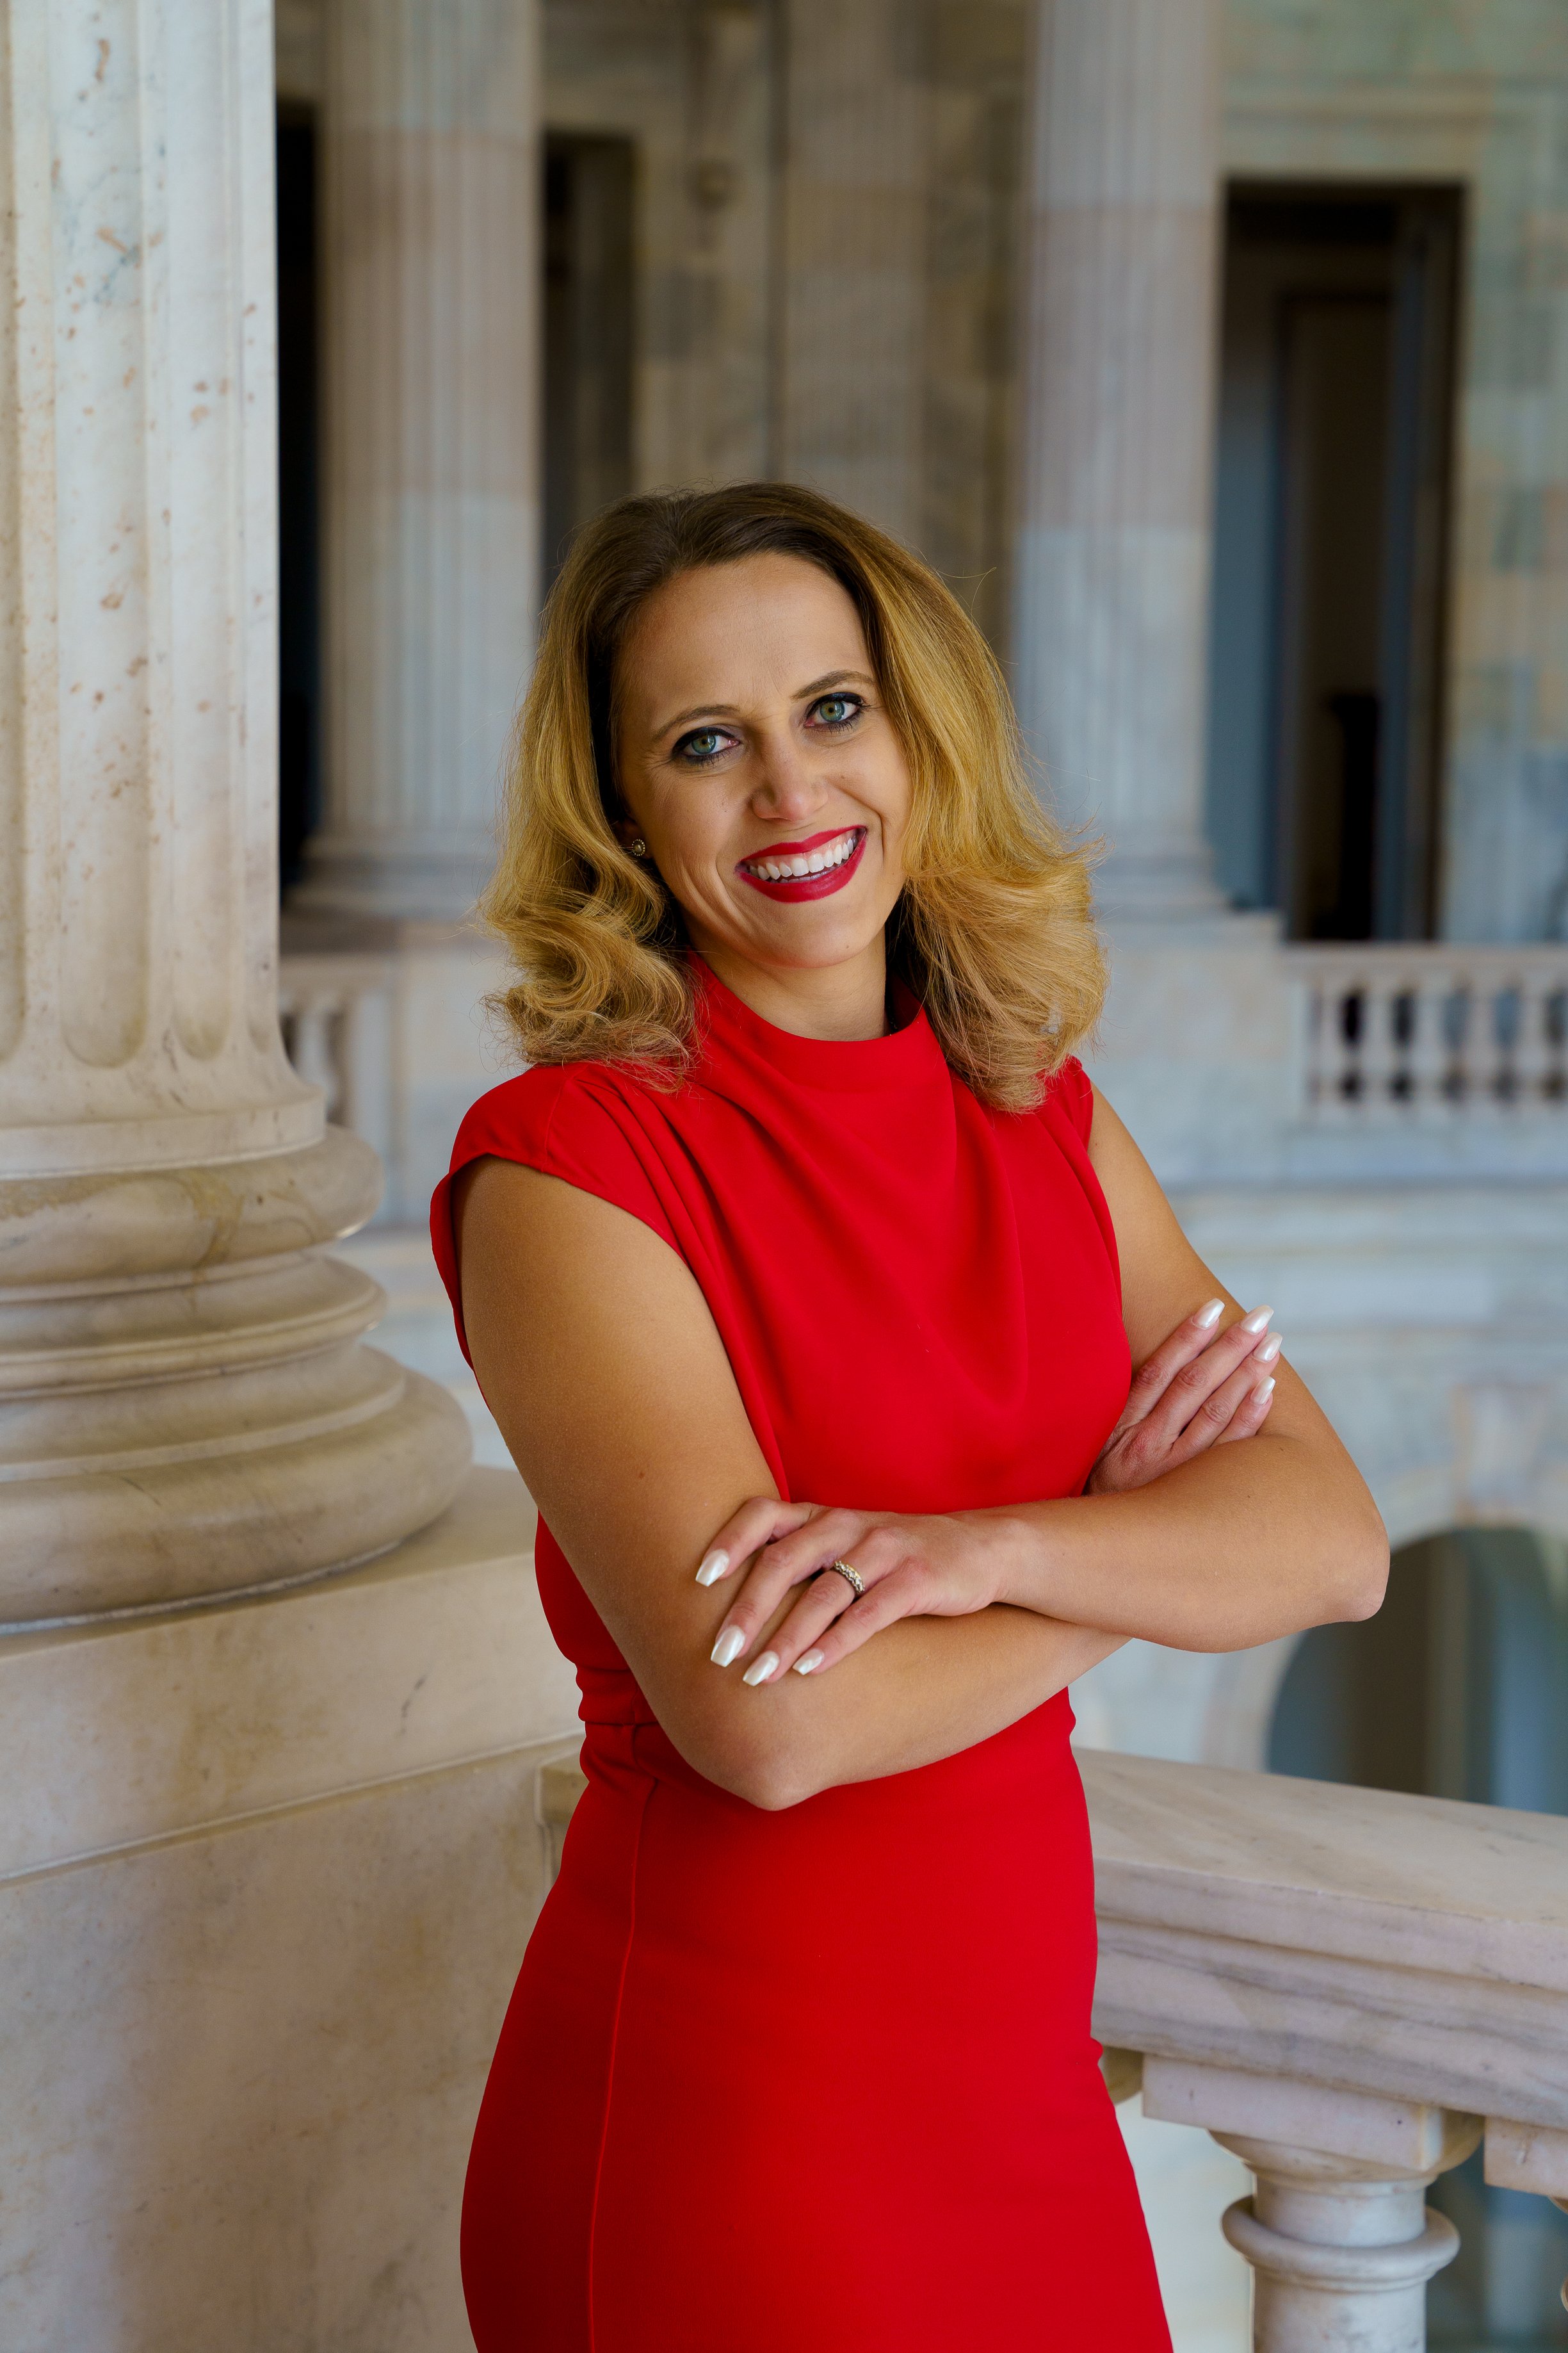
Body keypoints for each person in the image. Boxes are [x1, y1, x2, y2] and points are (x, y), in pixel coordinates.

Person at [431, 482, 1387, 2352]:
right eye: (707, 743)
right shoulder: (565, 1168)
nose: (790, 793)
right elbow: (770, 1729)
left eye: (832, 710)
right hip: (733, 2125)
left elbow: (1332, 1543)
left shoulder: (1033, 1104)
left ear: (916, 730)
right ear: (626, 809)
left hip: (1020, 2102)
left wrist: (1002, 1541)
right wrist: (1128, 1541)